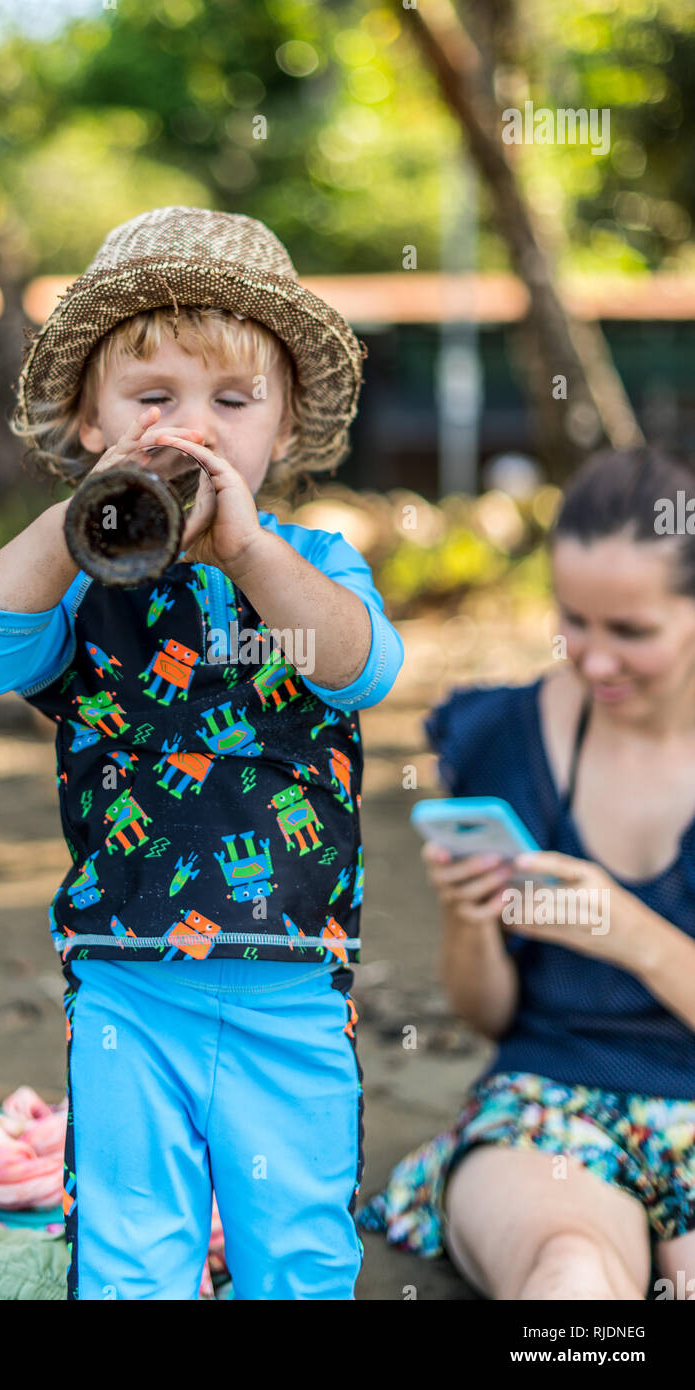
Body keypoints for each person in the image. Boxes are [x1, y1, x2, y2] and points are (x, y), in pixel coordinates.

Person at [0, 206, 404, 1300]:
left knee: (294, 1236)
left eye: (232, 404)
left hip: (290, 977)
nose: (192, 429)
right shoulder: (79, 578)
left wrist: (246, 550)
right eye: (154, 401)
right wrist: (76, 525)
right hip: (124, 979)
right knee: (131, 1240)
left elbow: (359, 667)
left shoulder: (314, 563)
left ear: (283, 431)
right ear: (90, 424)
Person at [358, 447, 695, 1301]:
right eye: (573, 621)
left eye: (631, 631)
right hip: (550, 1106)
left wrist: (630, 935)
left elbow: (631, 937)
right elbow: (489, 1014)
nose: (593, 659)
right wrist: (470, 920)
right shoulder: (506, 735)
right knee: (570, 1284)